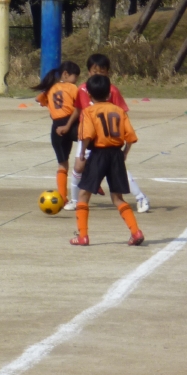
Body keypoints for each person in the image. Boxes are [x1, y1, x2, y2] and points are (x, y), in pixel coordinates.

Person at [67, 54, 151, 213]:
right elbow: (78, 109)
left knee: (118, 169)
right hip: (88, 135)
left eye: (102, 71)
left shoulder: (112, 91)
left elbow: (121, 113)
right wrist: (68, 125)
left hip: (106, 138)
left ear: (108, 72)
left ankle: (140, 196)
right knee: (78, 166)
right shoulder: (82, 89)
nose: (98, 74)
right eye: (94, 71)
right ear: (89, 72)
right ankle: (74, 200)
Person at [70, 74, 144, 247]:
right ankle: (136, 232)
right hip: (116, 155)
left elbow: (87, 135)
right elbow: (130, 136)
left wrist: (82, 153)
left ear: (88, 94)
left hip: (99, 154)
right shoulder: (118, 111)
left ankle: (83, 236)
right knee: (117, 197)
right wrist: (125, 152)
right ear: (109, 94)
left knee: (83, 195)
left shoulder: (89, 111)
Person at [35, 61, 81, 201]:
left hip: (56, 127)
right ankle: (91, 179)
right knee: (92, 148)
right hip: (72, 123)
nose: (76, 80)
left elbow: (39, 100)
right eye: (75, 77)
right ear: (66, 74)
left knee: (62, 163)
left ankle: (62, 197)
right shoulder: (73, 88)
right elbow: (79, 106)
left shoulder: (50, 88)